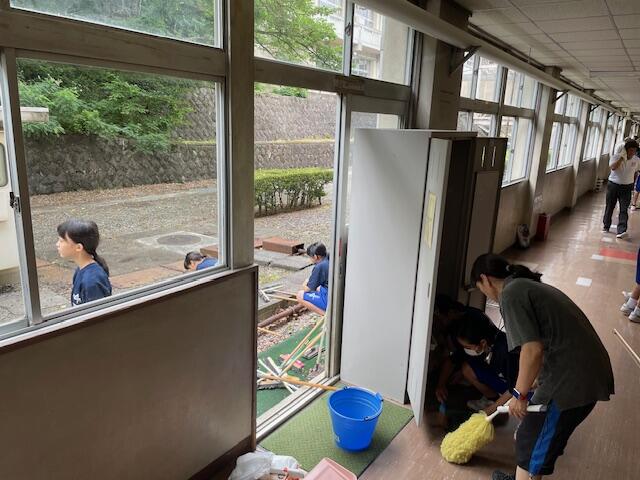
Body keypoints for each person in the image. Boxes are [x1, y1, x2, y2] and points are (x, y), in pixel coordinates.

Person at [471, 254, 614, 480]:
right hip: (579, 370)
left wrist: (519, 394)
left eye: (480, 288)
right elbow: (547, 339)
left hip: (571, 379)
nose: (485, 293)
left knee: (533, 442)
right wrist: (534, 381)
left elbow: (532, 350)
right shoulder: (523, 286)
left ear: (485, 280)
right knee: (530, 435)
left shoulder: (510, 294)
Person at [454, 308, 520, 415]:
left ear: (483, 343)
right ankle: (492, 400)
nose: (466, 350)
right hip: (503, 377)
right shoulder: (491, 340)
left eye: (468, 347)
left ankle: (495, 403)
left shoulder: (505, 352)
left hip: (517, 387)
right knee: (467, 368)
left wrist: (491, 410)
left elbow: (515, 387)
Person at [57, 219, 112, 307]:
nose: (57, 244)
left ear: (79, 247)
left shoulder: (92, 282)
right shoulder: (80, 270)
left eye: (61, 241)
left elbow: (97, 313)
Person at [603, 138, 639, 238]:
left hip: (627, 187)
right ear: (626, 149)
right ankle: (606, 226)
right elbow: (613, 167)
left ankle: (621, 231)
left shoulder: (636, 160)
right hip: (613, 185)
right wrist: (621, 158)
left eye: (634, 151)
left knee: (624, 209)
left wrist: (633, 183)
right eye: (631, 150)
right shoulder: (616, 157)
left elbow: (636, 172)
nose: (632, 153)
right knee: (610, 206)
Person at [296, 242, 329, 315]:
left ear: (315, 256)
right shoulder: (329, 258)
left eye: (310, 257)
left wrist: (304, 283)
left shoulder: (319, 267)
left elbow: (308, 289)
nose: (310, 259)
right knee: (318, 288)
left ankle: (326, 315)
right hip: (332, 291)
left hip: (329, 297)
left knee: (300, 295)